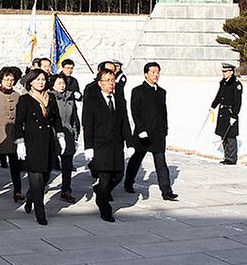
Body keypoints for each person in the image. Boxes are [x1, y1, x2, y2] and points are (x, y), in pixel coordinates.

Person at [82, 69, 133, 222]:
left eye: (113, 80)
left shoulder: (120, 99)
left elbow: (125, 123)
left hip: (116, 145)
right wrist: (88, 146)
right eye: (108, 80)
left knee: (118, 175)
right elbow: (88, 125)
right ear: (100, 83)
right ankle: (105, 209)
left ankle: (99, 191)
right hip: (100, 145)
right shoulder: (92, 100)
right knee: (104, 177)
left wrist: (129, 143)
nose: (111, 83)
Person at [14, 68, 61, 225]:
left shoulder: (51, 98)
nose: (41, 82)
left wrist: (60, 136)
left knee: (45, 177)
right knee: (36, 177)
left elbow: (57, 120)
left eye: (43, 79)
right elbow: (18, 123)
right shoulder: (25, 100)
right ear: (31, 82)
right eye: (38, 79)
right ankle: (40, 213)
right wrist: (19, 142)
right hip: (32, 142)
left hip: (48, 142)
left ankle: (30, 197)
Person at [125, 62, 177, 200]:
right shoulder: (138, 91)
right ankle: (128, 182)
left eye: (157, 72)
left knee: (161, 162)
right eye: (153, 72)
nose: (156, 75)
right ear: (146, 74)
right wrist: (141, 129)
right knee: (136, 159)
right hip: (143, 134)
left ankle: (166, 191)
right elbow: (135, 112)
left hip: (158, 134)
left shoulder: (161, 92)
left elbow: (163, 112)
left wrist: (165, 129)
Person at [0, 66, 24, 200]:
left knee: (15, 165)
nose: (9, 82)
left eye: (12, 79)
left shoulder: (17, 96)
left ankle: (17, 190)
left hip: (13, 134)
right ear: (1, 79)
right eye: (6, 79)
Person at [50, 74, 80, 203]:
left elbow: (74, 117)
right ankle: (35, 190)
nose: (62, 86)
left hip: (67, 133)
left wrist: (75, 133)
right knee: (47, 165)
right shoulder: (49, 97)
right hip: (52, 135)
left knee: (67, 165)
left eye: (63, 83)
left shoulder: (70, 97)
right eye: (59, 83)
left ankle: (66, 190)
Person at [211, 63, 242, 165]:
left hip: (230, 112)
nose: (223, 73)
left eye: (225, 72)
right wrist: (213, 105)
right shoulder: (223, 83)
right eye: (223, 72)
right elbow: (219, 96)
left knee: (230, 135)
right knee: (223, 134)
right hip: (222, 112)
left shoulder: (236, 84)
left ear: (231, 72)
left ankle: (232, 158)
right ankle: (226, 156)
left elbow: (238, 102)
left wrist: (234, 115)